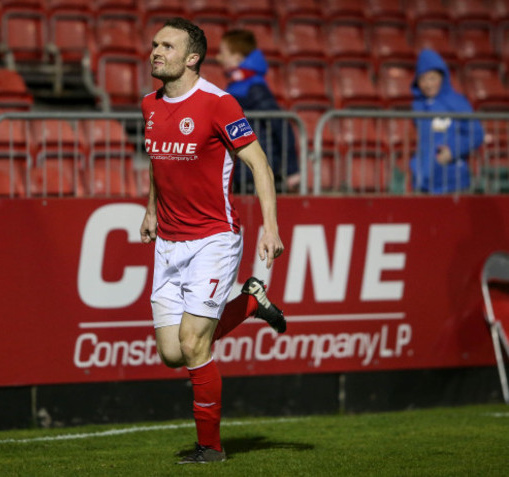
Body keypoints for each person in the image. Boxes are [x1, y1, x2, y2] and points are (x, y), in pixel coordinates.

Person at [140, 17, 286, 464]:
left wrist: (271, 226)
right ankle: (249, 303)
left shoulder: (219, 104)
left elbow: (260, 165)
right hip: (168, 241)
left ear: (193, 58)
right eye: (154, 44)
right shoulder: (149, 104)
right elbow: (157, 162)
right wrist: (150, 207)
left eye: (167, 45)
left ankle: (211, 448)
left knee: (193, 344)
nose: (156, 51)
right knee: (171, 353)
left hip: (213, 239)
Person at [216, 29, 300, 194]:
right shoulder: (236, 85)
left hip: (254, 174)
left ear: (237, 57)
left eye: (223, 52)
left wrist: (292, 169)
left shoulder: (253, 87)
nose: (219, 57)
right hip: (244, 170)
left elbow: (280, 125)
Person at [410, 48, 484, 193]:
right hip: (423, 181)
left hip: (452, 180)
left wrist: (452, 151)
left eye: (432, 78)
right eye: (423, 79)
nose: (428, 84)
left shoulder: (457, 102)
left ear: (442, 78)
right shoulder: (417, 106)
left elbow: (476, 134)